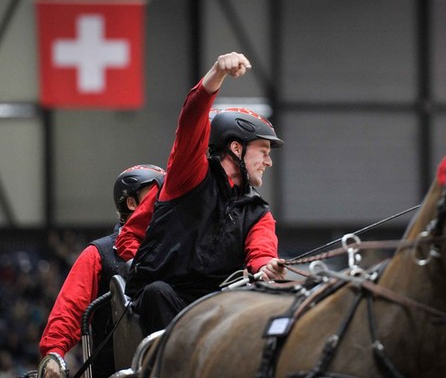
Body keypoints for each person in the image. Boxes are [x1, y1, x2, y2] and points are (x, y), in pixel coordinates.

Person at [124, 52, 287, 336]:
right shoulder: (189, 176)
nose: (268, 161)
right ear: (236, 148)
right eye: (263, 151)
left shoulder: (258, 213)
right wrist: (217, 74)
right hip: (164, 301)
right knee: (156, 292)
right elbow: (191, 121)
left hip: (217, 307)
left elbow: (261, 253)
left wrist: (267, 267)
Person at [38, 164, 165, 378]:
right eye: (155, 193)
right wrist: (54, 353)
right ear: (132, 203)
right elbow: (68, 308)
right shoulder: (98, 253)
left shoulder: (174, 248)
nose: (163, 199)